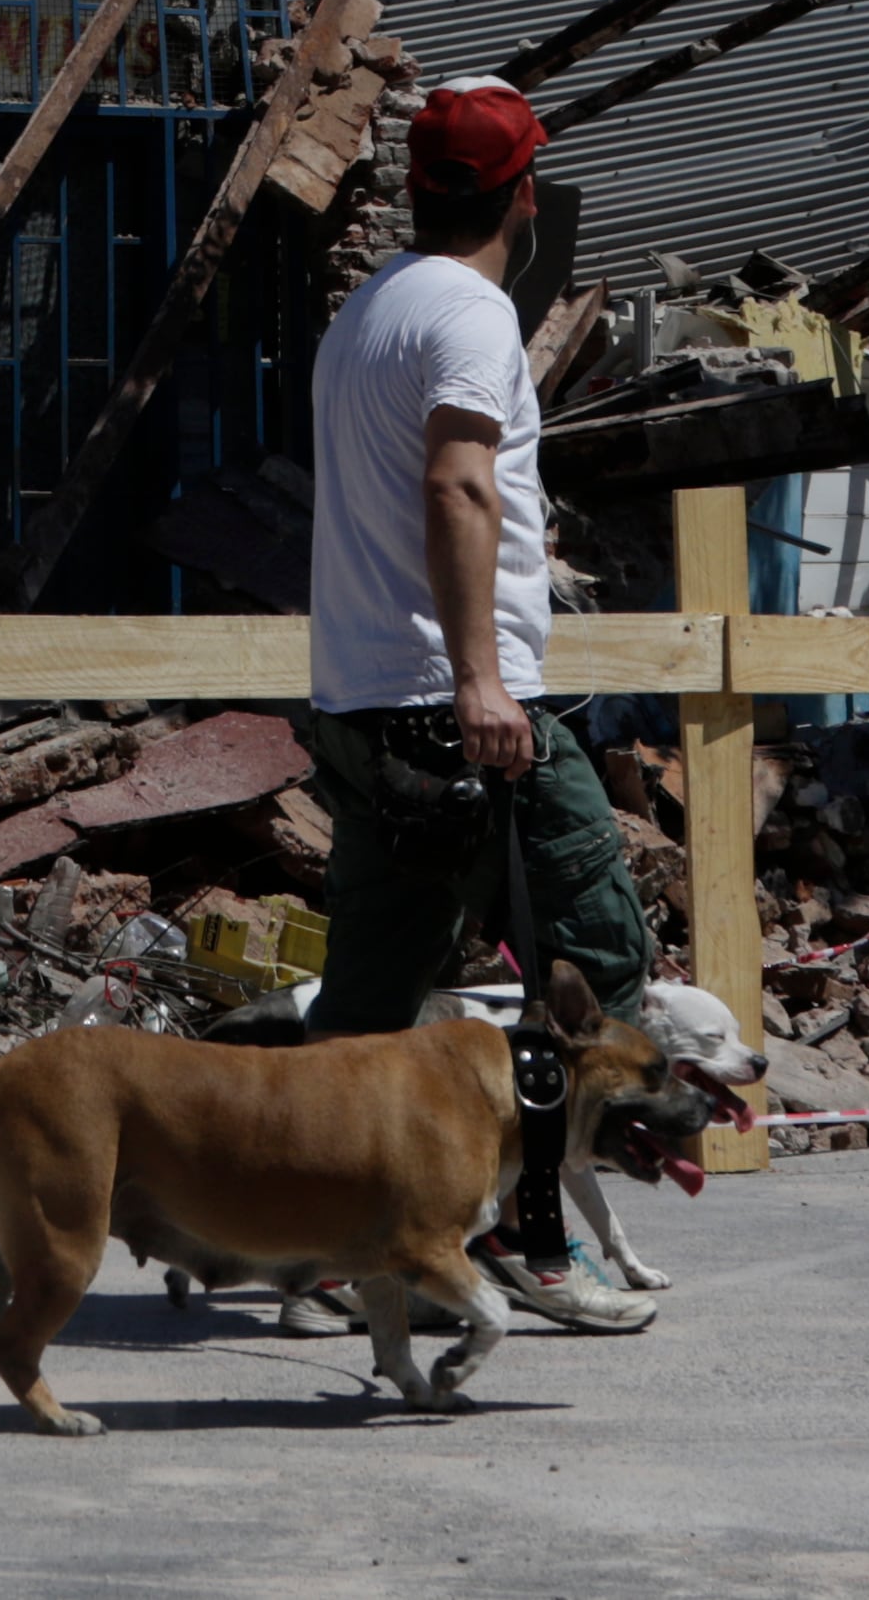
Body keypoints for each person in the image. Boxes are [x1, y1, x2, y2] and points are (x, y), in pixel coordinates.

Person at [292, 73, 657, 1334]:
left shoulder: (368, 314)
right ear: (527, 196)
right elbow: (456, 487)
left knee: (366, 1005)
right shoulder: (472, 317)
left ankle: (332, 1254)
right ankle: (520, 1229)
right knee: (598, 964)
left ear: (412, 186)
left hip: (356, 700)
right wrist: (480, 682)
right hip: (445, 712)